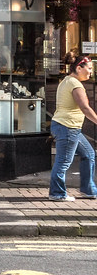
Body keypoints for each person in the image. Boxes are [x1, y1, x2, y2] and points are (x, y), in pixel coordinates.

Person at [49, 55, 97, 201]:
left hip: (67, 126)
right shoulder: (74, 84)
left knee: (88, 155)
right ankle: (57, 193)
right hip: (68, 127)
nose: (91, 72)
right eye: (89, 69)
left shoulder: (66, 81)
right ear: (78, 68)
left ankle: (88, 190)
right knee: (63, 161)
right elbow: (85, 108)